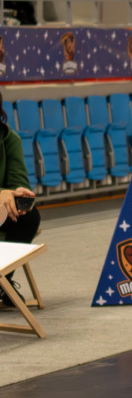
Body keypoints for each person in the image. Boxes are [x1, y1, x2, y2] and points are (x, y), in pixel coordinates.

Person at [0, 97, 40, 308]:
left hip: (1, 210)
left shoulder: (9, 138)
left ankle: (3, 279)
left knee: (29, 215)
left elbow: (17, 180)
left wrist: (17, 194)